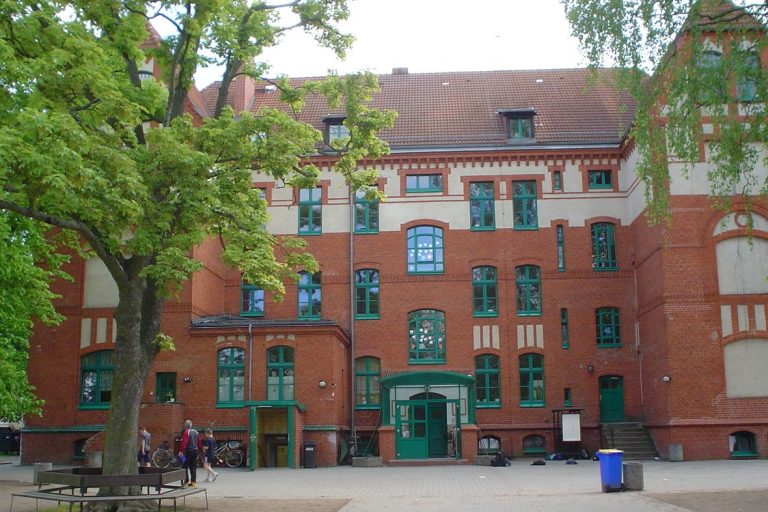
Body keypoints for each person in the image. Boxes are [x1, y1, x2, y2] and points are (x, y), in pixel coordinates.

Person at [179, 420, 202, 487]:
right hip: (195, 451)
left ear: (185, 426)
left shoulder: (186, 432)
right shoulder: (196, 432)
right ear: (191, 425)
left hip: (188, 451)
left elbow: (184, 442)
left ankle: (186, 481)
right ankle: (193, 482)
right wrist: (199, 449)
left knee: (184, 466)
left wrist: (181, 451)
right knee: (193, 466)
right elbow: (199, 442)